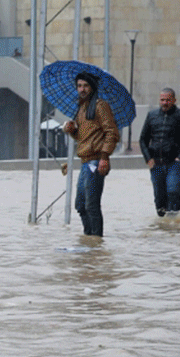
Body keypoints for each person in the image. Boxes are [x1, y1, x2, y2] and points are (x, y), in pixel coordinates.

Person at [62, 72, 120, 237]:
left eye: (86, 86)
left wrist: (104, 157)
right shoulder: (81, 109)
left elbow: (112, 133)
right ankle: (89, 239)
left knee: (91, 205)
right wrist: (73, 131)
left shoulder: (100, 106)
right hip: (85, 162)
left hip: (96, 161)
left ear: (92, 87)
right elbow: (83, 137)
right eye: (79, 86)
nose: (82, 89)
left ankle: (96, 240)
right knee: (81, 205)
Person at [138, 87, 180, 216]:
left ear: (174, 100)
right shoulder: (151, 115)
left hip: (174, 163)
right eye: (162, 100)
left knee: (173, 191)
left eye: (168, 100)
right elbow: (143, 139)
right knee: (159, 196)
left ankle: (174, 220)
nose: (165, 103)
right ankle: (162, 222)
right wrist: (148, 159)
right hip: (156, 163)